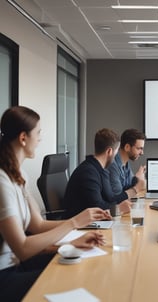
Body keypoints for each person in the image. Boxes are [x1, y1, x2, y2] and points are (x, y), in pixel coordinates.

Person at [0, 106, 109, 301]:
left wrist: (72, 239)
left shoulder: (19, 175)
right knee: (72, 278)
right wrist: (73, 223)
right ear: (23, 137)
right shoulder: (2, 182)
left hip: (18, 265)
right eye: (38, 133)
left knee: (83, 265)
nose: (40, 138)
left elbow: (38, 225)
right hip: (5, 275)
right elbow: (23, 249)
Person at [63, 128, 132, 218]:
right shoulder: (88, 172)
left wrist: (127, 198)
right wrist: (119, 208)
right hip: (80, 226)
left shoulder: (101, 169)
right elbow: (97, 206)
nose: (116, 156)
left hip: (92, 222)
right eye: (116, 151)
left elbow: (110, 198)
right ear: (109, 151)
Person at [108, 128, 146, 198]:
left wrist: (137, 178)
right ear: (127, 147)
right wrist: (138, 184)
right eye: (139, 149)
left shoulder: (126, 164)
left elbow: (128, 188)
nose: (142, 153)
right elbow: (118, 198)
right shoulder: (112, 165)